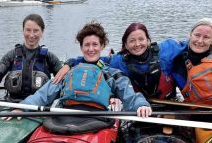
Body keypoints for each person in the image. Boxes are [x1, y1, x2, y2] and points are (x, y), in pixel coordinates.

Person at [59, 22, 212, 101]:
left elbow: (197, 43)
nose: (137, 44)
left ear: (148, 39)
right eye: (132, 41)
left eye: (141, 39)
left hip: (170, 105)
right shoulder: (119, 61)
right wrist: (70, 63)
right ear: (126, 45)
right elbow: (95, 59)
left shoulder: (166, 49)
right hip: (139, 107)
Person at [11, 22, 152, 120]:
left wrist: (141, 105)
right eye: (87, 45)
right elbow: (43, 95)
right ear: (81, 47)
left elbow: (130, 96)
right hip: (64, 118)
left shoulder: (112, 74)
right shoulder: (69, 71)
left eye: (95, 44)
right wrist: (22, 108)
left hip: (98, 120)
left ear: (102, 45)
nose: (91, 49)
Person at [0, 14, 63, 102]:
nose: (31, 35)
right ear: (23, 31)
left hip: (39, 106)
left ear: (42, 32)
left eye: (36, 31)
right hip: (13, 103)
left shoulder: (50, 58)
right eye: (28, 30)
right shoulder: (11, 55)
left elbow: (63, 80)